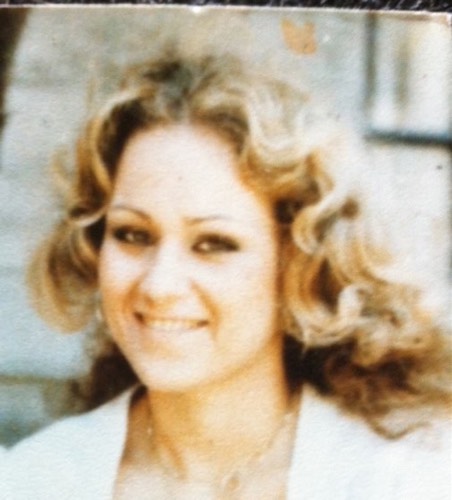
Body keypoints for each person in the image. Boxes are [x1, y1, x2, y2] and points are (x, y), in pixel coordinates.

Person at [3, 52, 451, 500]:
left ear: (298, 263)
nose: (159, 285)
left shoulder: (404, 477)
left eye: (214, 243)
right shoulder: (34, 480)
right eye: (133, 234)